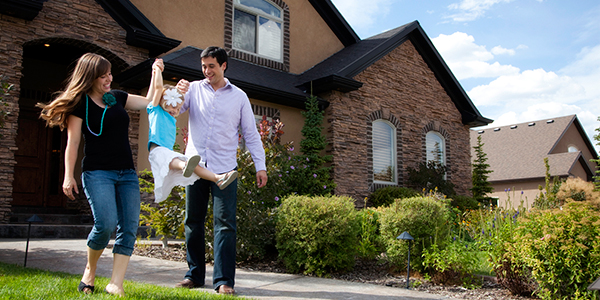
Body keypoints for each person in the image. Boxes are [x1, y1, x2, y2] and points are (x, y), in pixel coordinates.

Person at [37, 53, 162, 296]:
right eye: (103, 75)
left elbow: (150, 102)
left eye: (110, 74)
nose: (109, 78)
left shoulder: (116, 98)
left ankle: (116, 283)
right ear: (90, 77)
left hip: (126, 172)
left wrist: (156, 71)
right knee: (105, 224)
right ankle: (90, 269)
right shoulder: (79, 104)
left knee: (128, 227)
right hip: (97, 172)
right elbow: (72, 143)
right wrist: (68, 176)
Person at [175, 46, 267, 295]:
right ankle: (194, 275)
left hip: (225, 170)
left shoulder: (239, 97)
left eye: (211, 66)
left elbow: (250, 133)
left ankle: (224, 280)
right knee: (192, 221)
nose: (206, 71)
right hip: (195, 168)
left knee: (225, 224)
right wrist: (175, 92)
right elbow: (173, 109)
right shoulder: (193, 89)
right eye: (203, 66)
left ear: (223, 65)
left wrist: (261, 166)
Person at [146, 61, 238, 202]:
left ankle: (218, 178)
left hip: (169, 154)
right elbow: (158, 88)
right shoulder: (155, 110)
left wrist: (181, 93)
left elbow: (178, 100)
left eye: (177, 109)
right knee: (181, 161)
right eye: (172, 107)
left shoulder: (172, 118)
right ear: (162, 102)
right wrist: (157, 70)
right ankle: (184, 167)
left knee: (195, 164)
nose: (175, 111)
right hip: (157, 152)